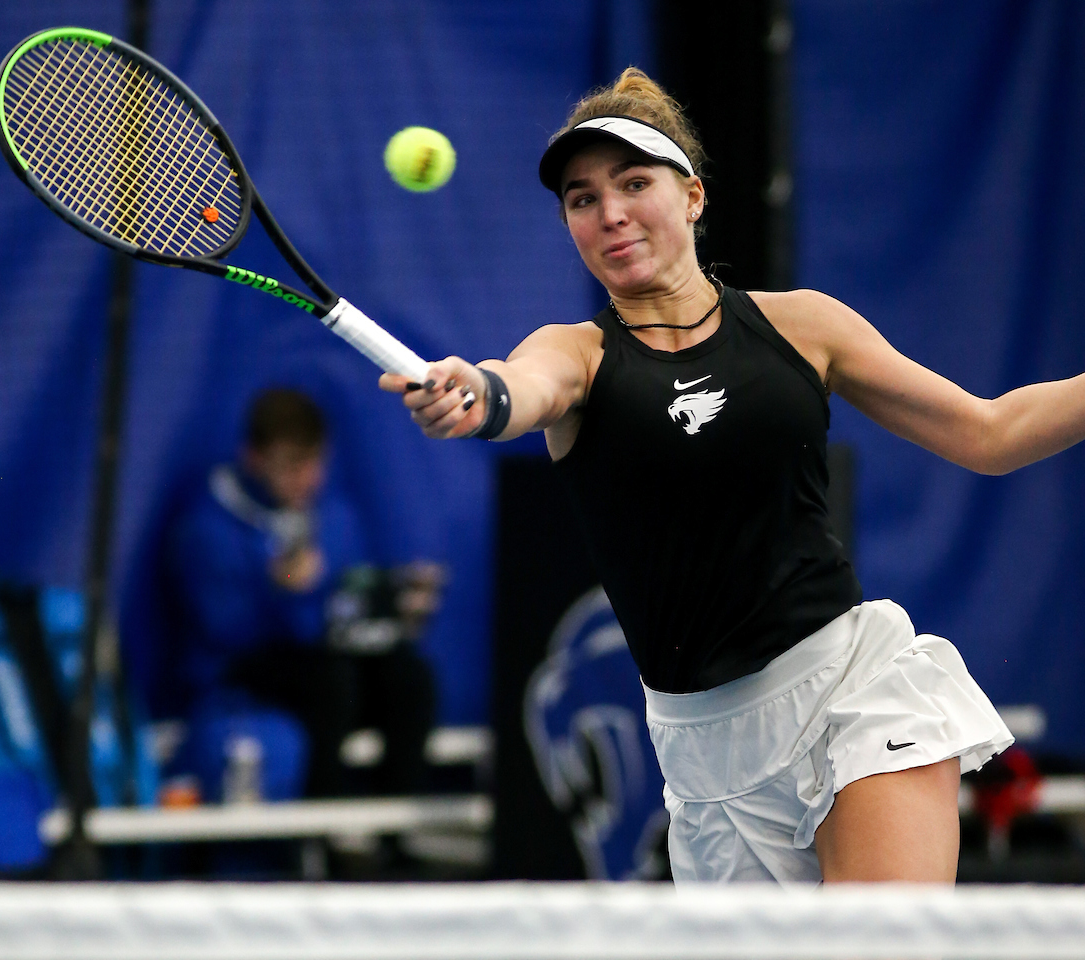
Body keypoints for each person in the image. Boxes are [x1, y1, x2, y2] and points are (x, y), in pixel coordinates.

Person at [381, 68, 1085, 885]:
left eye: (634, 183)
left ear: (693, 198)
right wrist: (482, 392)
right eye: (581, 197)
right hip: (705, 752)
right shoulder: (577, 352)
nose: (609, 212)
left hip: (850, 688)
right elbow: (521, 386)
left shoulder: (806, 325)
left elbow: (989, 433)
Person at [165, 388, 438, 797]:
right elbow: (226, 633)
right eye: (291, 465)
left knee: (410, 677)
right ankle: (322, 834)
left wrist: (396, 608)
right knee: (330, 683)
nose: (306, 478)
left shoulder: (334, 515)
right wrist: (287, 588)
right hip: (246, 677)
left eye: (314, 462)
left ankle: (395, 834)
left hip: (331, 667)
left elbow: (350, 596)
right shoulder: (207, 529)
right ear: (253, 459)